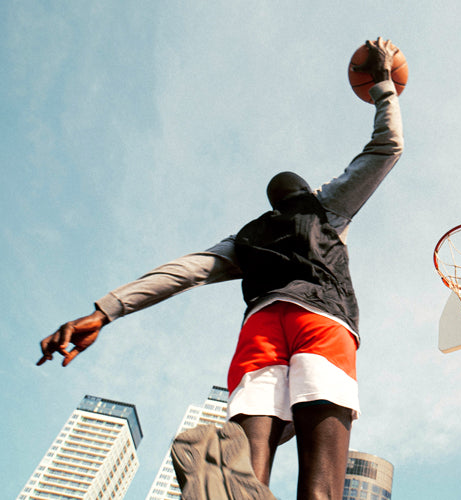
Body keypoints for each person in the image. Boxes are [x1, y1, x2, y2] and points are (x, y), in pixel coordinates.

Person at [37, 37, 403, 500]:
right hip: (321, 323)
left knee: (248, 462)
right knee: (322, 483)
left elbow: (181, 272)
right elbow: (387, 146)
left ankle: (236, 484)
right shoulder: (326, 208)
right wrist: (384, 82)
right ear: (308, 190)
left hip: (261, 329)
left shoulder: (246, 239)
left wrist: (104, 312)